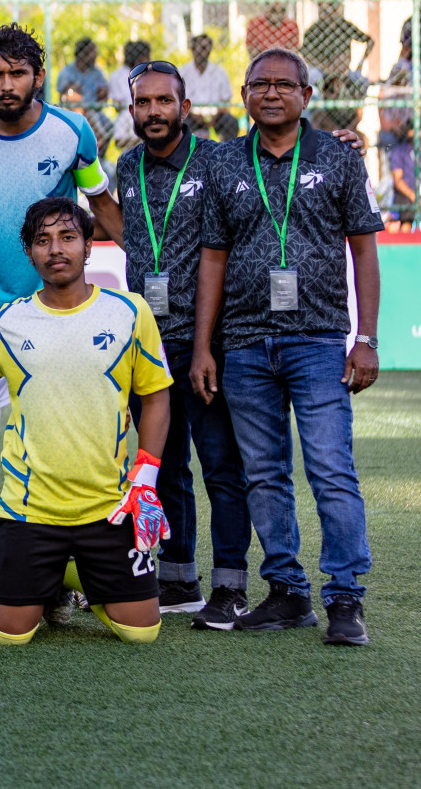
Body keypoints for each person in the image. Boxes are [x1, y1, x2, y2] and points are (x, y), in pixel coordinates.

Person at [191, 48, 384, 647]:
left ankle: (345, 598)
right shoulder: (224, 163)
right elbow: (212, 259)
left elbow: (364, 251)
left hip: (320, 341)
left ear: (306, 94)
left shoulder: (338, 157)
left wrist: (366, 338)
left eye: (283, 84)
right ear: (244, 94)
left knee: (330, 468)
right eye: (259, 84)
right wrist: (203, 346)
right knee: (263, 474)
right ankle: (286, 593)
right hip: (245, 344)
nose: (270, 93)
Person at [0, 23, 123, 608]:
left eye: (19, 73)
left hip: (58, 314)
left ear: (39, 76)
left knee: (64, 442)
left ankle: (71, 571)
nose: (7, 84)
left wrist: (149, 258)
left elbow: (102, 206)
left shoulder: (72, 131)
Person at [0, 198, 173, 645]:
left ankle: (82, 580)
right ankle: (52, 579)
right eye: (42, 240)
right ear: (29, 252)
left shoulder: (131, 312)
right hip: (30, 511)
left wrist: (147, 475)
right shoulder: (8, 321)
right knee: (9, 636)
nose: (55, 249)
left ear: (88, 246)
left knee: (143, 633)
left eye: (67, 237)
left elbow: (156, 397)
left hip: (110, 508)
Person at [115, 60, 252, 626]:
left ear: (185, 107)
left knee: (221, 464)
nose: (153, 112)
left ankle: (231, 585)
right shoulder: (125, 167)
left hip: (206, 343)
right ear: (131, 112)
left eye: (163, 102)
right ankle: (176, 579)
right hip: (148, 343)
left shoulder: (219, 159)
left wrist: (341, 139)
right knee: (161, 464)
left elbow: (278, 152)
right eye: (142, 103)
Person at [302, 0, 373, 130]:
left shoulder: (344, 25)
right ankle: (312, 125)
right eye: (325, 9)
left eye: (333, 8)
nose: (329, 13)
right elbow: (305, 54)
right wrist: (325, 67)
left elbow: (369, 41)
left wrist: (360, 64)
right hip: (321, 70)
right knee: (312, 81)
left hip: (344, 69)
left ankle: (351, 122)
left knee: (361, 80)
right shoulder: (315, 28)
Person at [183, 34, 233, 132]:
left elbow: (226, 101)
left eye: (207, 47)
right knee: (181, 123)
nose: (205, 51)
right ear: (193, 49)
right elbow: (179, 101)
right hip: (190, 115)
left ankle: (227, 147)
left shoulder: (220, 72)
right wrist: (194, 115)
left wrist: (215, 116)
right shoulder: (183, 72)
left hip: (216, 116)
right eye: (202, 47)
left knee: (231, 122)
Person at [108, 41, 151, 106]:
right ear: (138, 58)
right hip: (127, 113)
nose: (149, 60)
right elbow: (118, 105)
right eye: (146, 57)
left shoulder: (149, 74)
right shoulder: (116, 76)